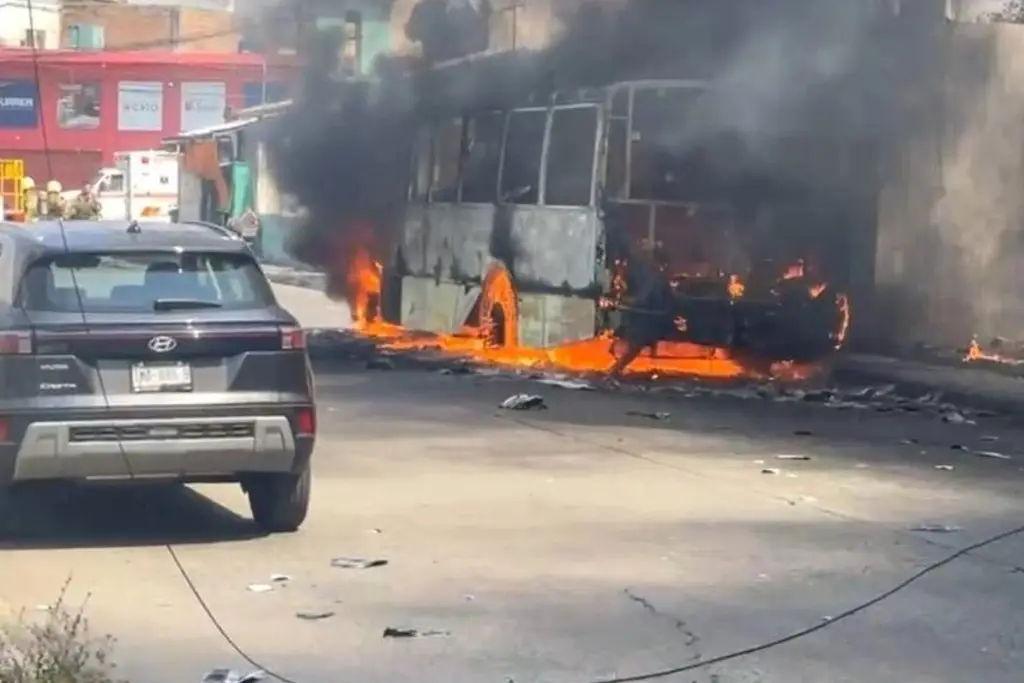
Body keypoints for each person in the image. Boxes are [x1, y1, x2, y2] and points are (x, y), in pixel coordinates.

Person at [608, 241, 675, 377]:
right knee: (630, 336)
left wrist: (622, 301)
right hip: (648, 316)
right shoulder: (651, 276)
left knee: (637, 342)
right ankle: (616, 366)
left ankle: (616, 370)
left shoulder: (655, 278)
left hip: (654, 320)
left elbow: (643, 300)